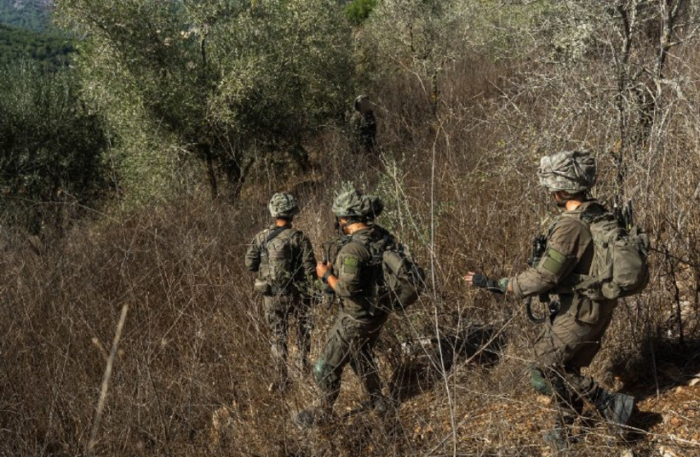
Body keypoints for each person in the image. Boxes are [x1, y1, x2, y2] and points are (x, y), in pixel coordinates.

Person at [464, 150, 635, 452]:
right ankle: (565, 430)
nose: (550, 192)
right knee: (565, 366)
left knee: (545, 370)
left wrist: (496, 284)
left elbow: (544, 277)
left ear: (562, 189)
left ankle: (610, 404)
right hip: (594, 306)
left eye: (552, 187)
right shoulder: (597, 211)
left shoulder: (571, 225)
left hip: (582, 311)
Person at [295, 185, 393, 428]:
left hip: (355, 318)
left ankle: (324, 411)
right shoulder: (382, 236)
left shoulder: (352, 249)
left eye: (339, 216)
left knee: (324, 368)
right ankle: (378, 401)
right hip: (378, 312)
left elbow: (347, 288)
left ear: (346, 218)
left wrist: (326, 274)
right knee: (361, 355)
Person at [244, 192, 316, 391]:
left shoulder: (260, 237)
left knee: (278, 337)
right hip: (298, 295)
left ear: (273, 212)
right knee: (303, 333)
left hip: (271, 297)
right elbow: (311, 270)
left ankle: (281, 379)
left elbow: (250, 264)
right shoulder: (299, 238)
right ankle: (303, 369)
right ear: (293, 213)